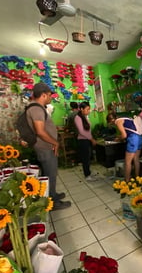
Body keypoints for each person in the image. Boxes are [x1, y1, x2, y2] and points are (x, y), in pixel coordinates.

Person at [26, 82, 71, 210]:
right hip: (45, 147)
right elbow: (40, 131)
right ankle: (52, 203)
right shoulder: (36, 108)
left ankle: (53, 195)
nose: (51, 98)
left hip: (46, 146)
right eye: (50, 95)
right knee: (49, 174)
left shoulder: (38, 108)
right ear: (44, 95)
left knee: (51, 173)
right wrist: (55, 142)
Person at [106, 113, 142, 181]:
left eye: (110, 123)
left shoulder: (118, 121)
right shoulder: (126, 118)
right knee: (136, 159)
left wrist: (118, 139)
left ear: (111, 121)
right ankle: (137, 178)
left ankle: (127, 181)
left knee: (127, 162)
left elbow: (124, 135)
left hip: (133, 139)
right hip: (140, 137)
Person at [75, 101, 97, 181]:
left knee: (88, 157)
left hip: (87, 140)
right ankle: (87, 175)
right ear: (81, 109)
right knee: (85, 159)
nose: (89, 111)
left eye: (89, 109)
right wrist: (91, 139)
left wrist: (90, 138)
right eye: (87, 109)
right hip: (83, 141)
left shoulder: (85, 117)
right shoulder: (78, 118)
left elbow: (88, 130)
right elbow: (82, 131)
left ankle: (89, 172)